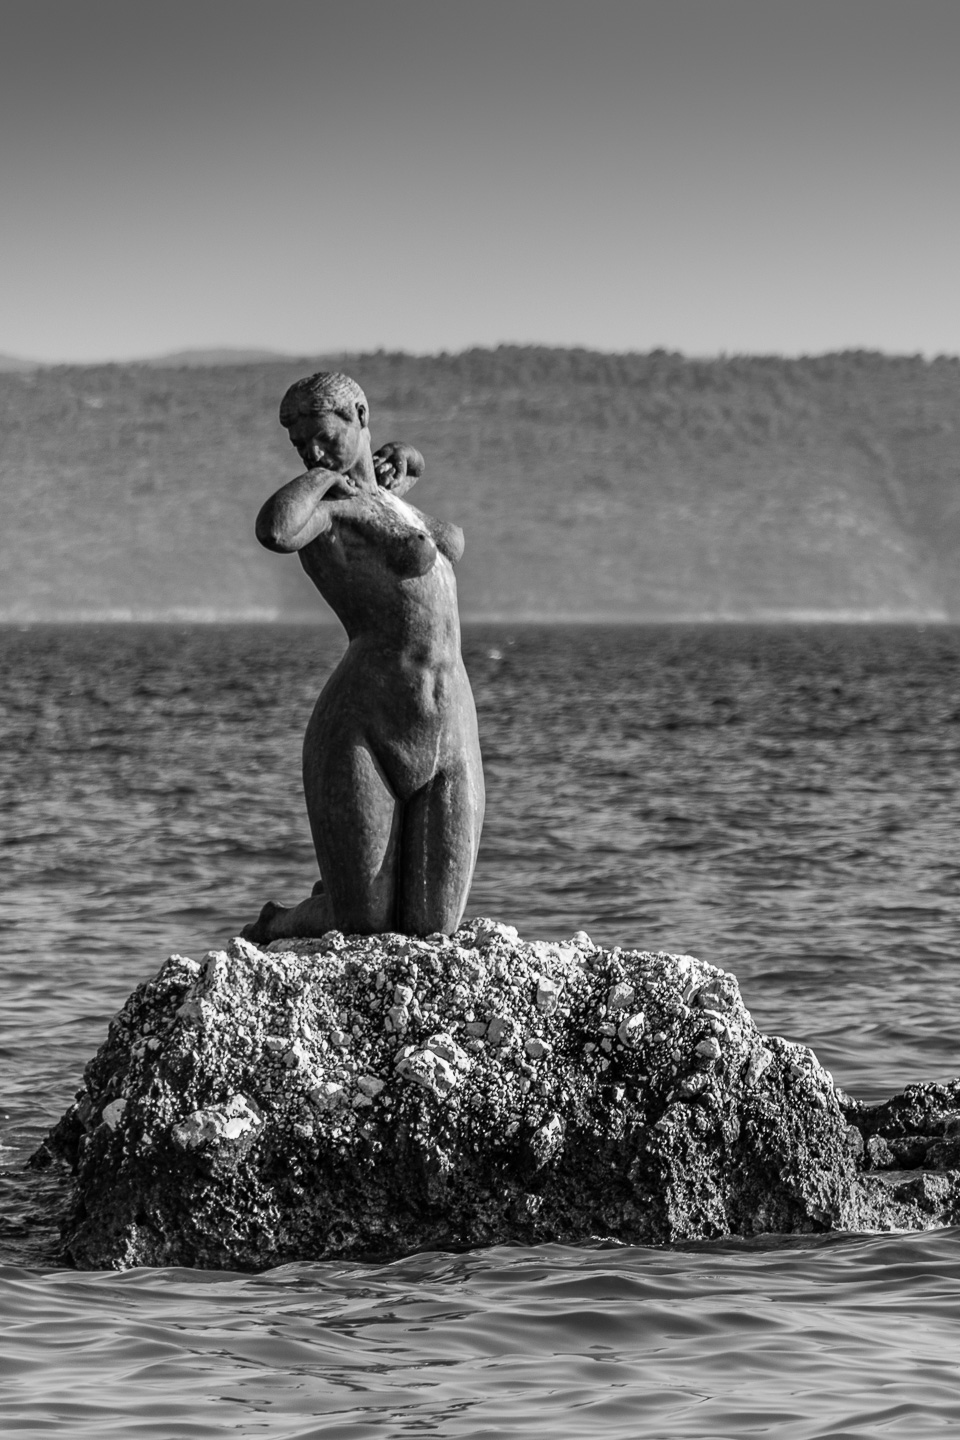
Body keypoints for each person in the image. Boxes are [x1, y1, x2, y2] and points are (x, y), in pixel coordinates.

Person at [242, 371, 484, 940]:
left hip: (449, 722)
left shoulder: (388, 497)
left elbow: (449, 531)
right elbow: (276, 529)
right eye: (301, 446)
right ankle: (284, 919)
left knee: (434, 927)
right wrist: (327, 477)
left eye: (323, 436)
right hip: (364, 723)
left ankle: (341, 886)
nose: (312, 452)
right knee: (363, 925)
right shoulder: (324, 511)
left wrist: (400, 459)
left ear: (359, 415)